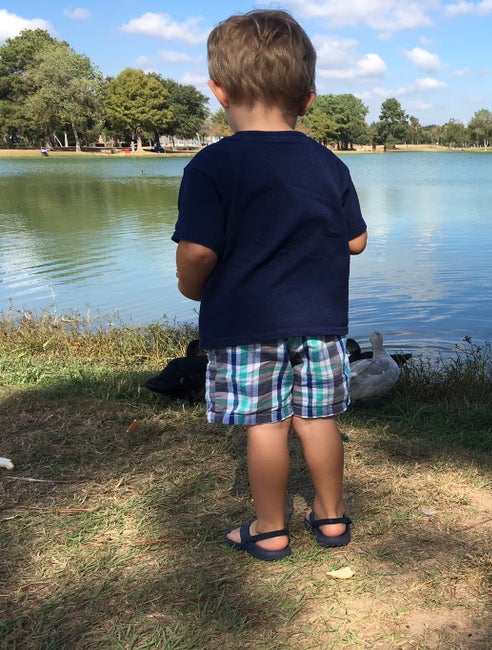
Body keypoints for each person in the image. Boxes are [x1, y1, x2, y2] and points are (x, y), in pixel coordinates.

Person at [172, 9, 368, 561]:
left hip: (246, 323)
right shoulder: (329, 164)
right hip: (321, 322)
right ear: (308, 99)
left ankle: (270, 529)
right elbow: (356, 241)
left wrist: (191, 287)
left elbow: (198, 251)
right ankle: (331, 520)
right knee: (318, 420)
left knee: (266, 427)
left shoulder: (210, 166)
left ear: (218, 91)